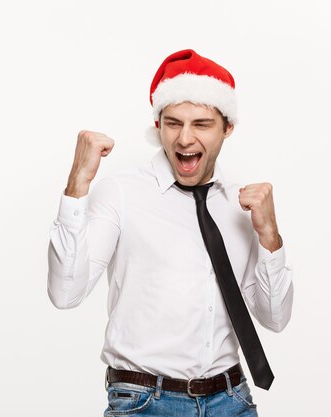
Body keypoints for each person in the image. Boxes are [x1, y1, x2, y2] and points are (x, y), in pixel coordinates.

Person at [47, 49, 294, 416]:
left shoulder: (240, 205)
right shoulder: (122, 193)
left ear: (227, 128)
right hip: (147, 402)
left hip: (232, 399)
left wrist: (270, 236)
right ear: (158, 125)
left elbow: (275, 319)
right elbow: (65, 293)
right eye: (173, 123)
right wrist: (77, 183)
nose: (184, 139)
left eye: (201, 124)